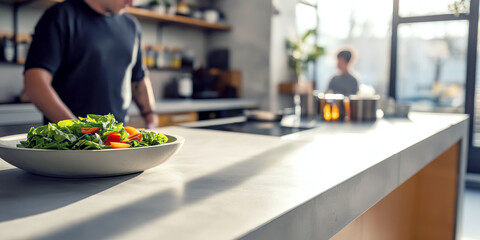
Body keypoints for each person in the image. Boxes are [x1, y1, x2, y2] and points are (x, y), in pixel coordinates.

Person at [23, 0, 159, 128]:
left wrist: (150, 115)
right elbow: (35, 82)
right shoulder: (60, 16)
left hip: (116, 138)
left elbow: (138, 77)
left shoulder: (131, 25)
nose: (131, 2)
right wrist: (77, 130)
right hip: (68, 142)